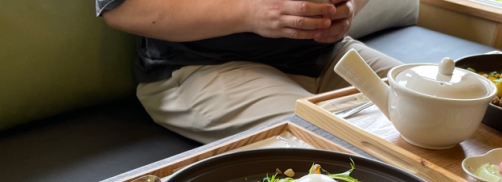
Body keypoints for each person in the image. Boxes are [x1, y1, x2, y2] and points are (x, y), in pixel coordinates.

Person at [96, 0, 399, 143]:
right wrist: (250, 13)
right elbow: (121, 9)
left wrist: (346, 8)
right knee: (339, 150)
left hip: (326, 52)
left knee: (426, 111)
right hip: (202, 66)